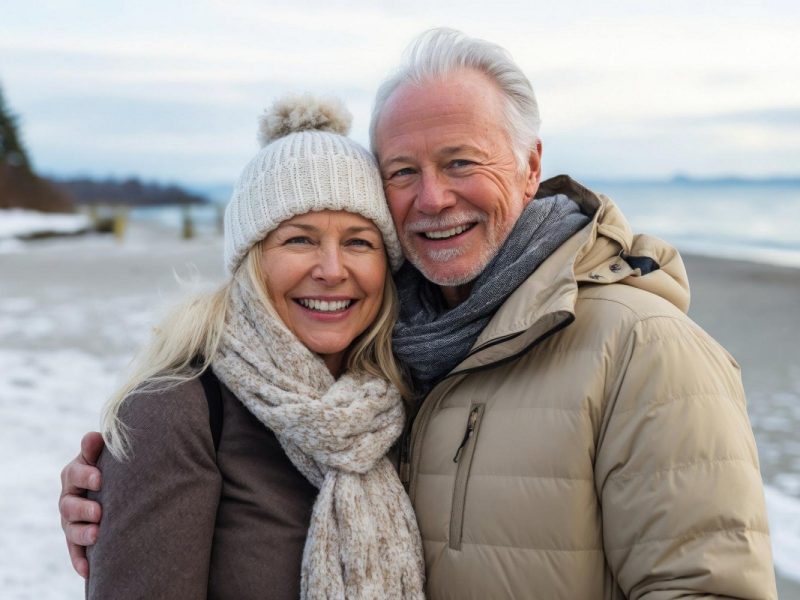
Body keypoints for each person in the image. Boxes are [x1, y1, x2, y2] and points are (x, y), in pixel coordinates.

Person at [61, 29, 777, 599]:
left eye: (461, 162)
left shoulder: (642, 347)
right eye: (403, 171)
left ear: (531, 166)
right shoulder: (407, 359)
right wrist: (124, 496)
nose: (432, 199)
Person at [71, 94, 426, 599]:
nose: (331, 269)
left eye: (359, 242)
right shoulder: (174, 412)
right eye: (299, 240)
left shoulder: (403, 403)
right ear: (250, 262)